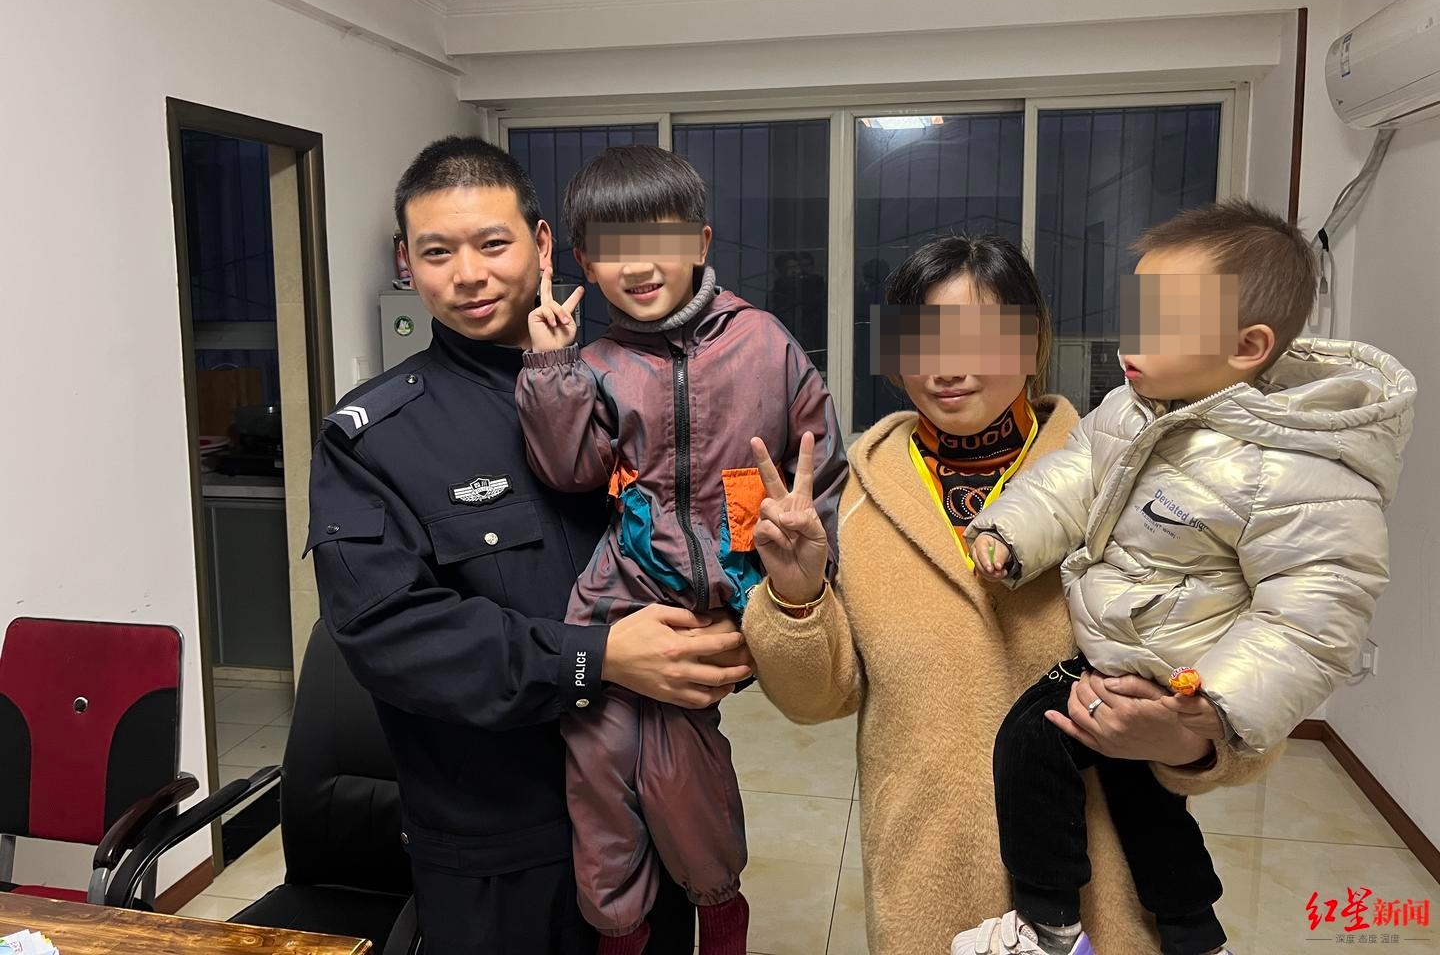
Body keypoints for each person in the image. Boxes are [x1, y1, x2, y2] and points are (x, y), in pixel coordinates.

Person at [742, 233, 1277, 955]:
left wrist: (1190, 741)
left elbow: (1258, 673)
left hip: (1106, 901)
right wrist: (796, 591)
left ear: (1032, 344)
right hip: (928, 885)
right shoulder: (863, 499)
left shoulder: (1134, 479)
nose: (947, 367)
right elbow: (818, 699)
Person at [306, 136, 754, 954]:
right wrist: (596, 657)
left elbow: (712, 529)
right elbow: (389, 634)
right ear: (407, 261)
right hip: (500, 846)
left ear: (542, 245)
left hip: (652, 810)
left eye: (492, 243)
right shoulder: (375, 438)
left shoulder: (640, 386)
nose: (467, 275)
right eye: (437, 252)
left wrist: (739, 625)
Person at [959, 202, 1416, 955]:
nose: (1130, 343)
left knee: (1032, 741)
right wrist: (1009, 531)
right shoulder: (1131, 410)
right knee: (1144, 800)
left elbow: (1312, 615)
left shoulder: (1299, 466)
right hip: (1124, 649)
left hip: (1175, 675)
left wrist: (1214, 706)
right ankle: (1196, 934)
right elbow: (1072, 478)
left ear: (1247, 346)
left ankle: (1045, 926)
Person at [515, 145, 847, 955]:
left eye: (658, 240)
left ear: (700, 242)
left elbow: (822, 473)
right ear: (585, 260)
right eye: (613, 248)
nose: (638, 266)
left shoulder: (765, 343)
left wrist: (786, 582)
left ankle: (719, 907)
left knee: (677, 768)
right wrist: (553, 366)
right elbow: (570, 469)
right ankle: (619, 929)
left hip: (720, 600)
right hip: (621, 594)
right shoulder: (596, 364)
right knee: (598, 762)